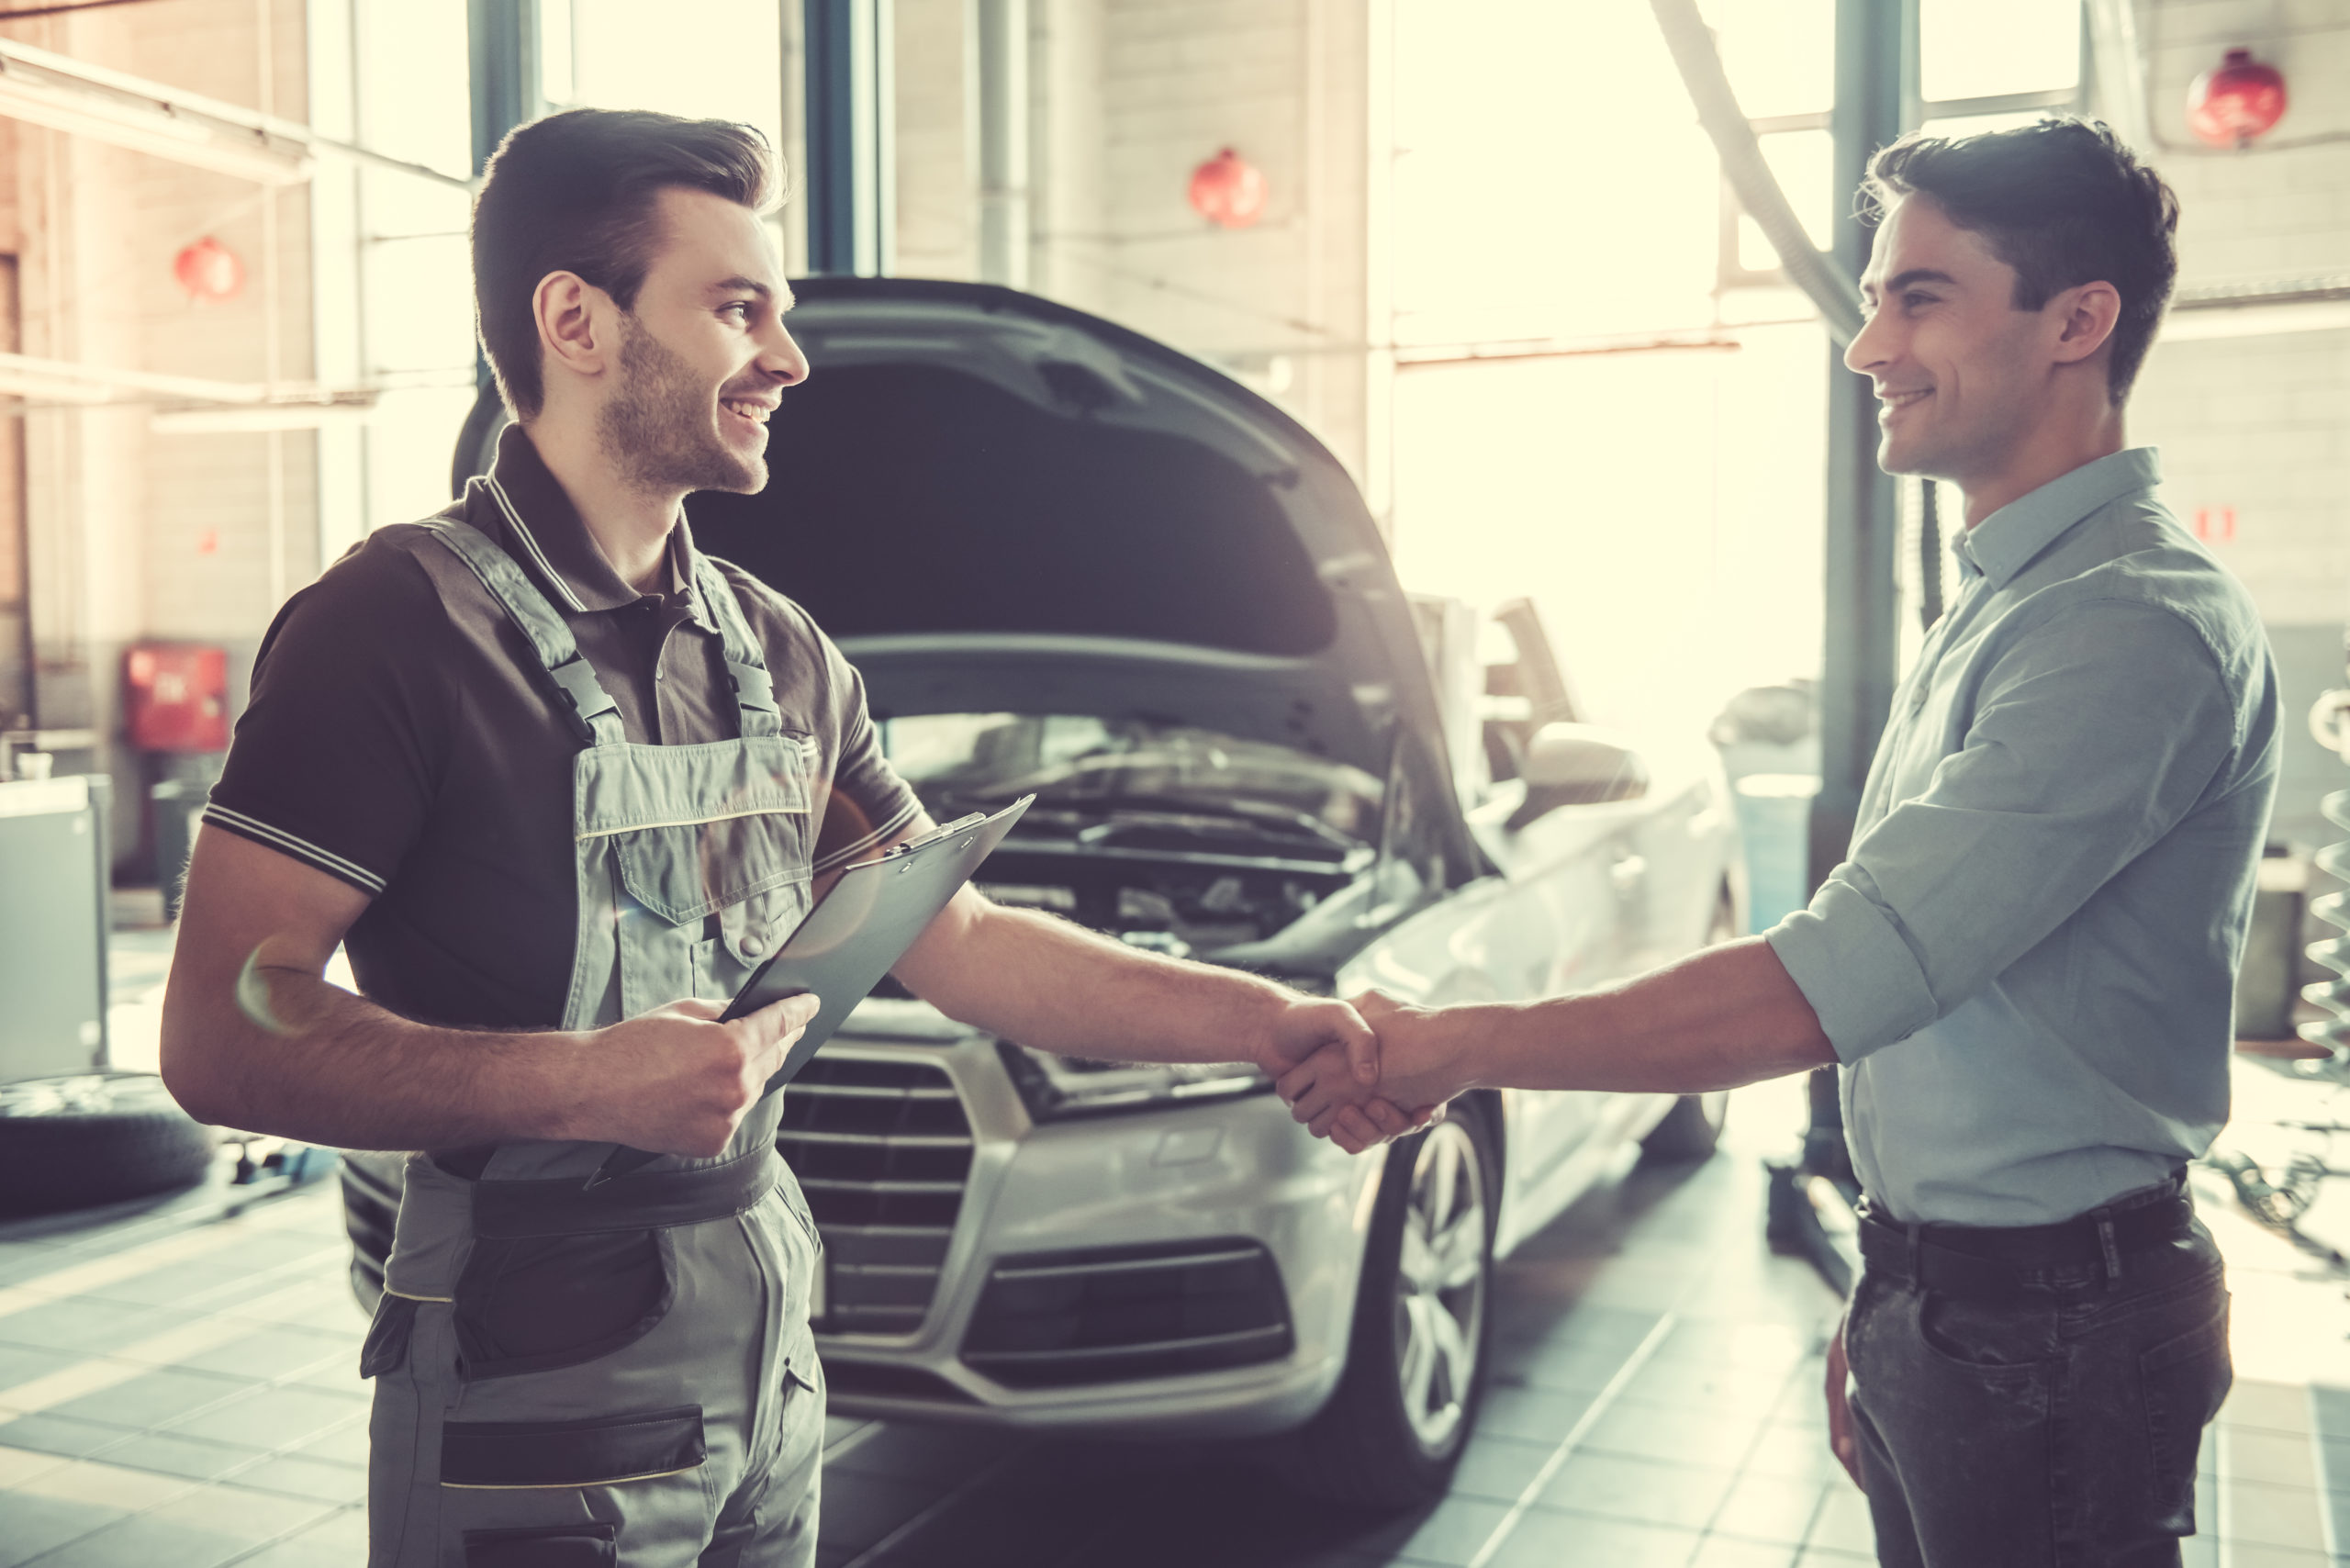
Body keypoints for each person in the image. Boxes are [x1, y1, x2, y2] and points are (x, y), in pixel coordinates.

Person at [159, 107, 1382, 1568]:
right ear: (577, 322)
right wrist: (576, 1084)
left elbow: (964, 942)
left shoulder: (780, 654)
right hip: (532, 1372)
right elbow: (221, 1034)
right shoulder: (395, 631)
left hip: (769, 1343)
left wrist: (1267, 1017)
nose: (789, 361)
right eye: (739, 309)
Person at [1285, 118, 2277, 1567]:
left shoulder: (2127, 627)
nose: (1868, 345)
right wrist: (1895, 1304)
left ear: (2079, 320)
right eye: (1876, 297)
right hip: (1965, 1302)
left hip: (2052, 1324)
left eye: (1918, 296)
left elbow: (1831, 983)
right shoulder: (2012, 598)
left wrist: (1458, 1043)